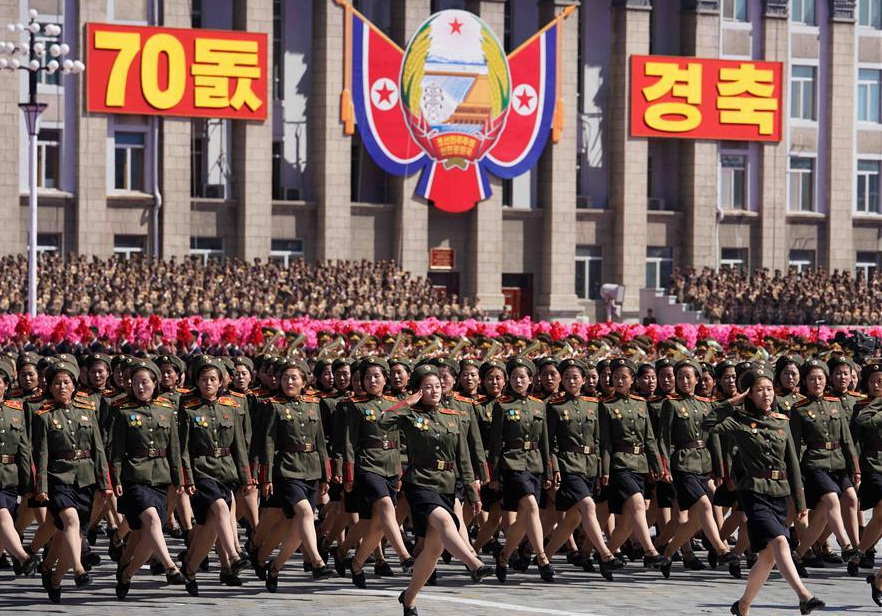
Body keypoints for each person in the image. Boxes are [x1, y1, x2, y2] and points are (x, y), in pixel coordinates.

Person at [703, 368, 824, 616]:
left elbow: (792, 463)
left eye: (769, 389)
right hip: (754, 491)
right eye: (759, 390)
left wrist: (800, 501)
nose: (766, 394)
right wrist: (733, 401)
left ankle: (743, 605)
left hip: (779, 493)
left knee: (768, 557)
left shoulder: (781, 421)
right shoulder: (739, 420)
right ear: (749, 393)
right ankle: (804, 596)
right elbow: (707, 423)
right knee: (780, 541)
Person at [387, 364, 492, 616]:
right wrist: (408, 402)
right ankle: (474, 564)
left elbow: (463, 459)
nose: (434, 390)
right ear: (418, 390)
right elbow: (383, 421)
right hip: (420, 481)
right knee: (446, 521)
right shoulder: (409, 415)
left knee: (433, 550)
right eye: (427, 387)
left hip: (446, 483)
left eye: (437, 386)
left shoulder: (452, 416)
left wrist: (472, 492)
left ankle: (409, 597)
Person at [32, 360, 112, 604]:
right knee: (71, 522)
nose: (62, 387)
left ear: (75, 385)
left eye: (66, 382)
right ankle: (78, 569)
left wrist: (104, 482)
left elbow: (98, 449)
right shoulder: (44, 415)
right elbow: (41, 454)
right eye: (56, 383)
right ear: (50, 387)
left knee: (68, 534)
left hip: (85, 478)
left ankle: (53, 576)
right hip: (59, 477)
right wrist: (41, 488)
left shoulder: (87, 410)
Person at [108, 359, 187, 598]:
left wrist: (179, 478)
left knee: (146, 536)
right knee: (151, 519)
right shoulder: (122, 411)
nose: (140, 387)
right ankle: (170, 567)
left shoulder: (167, 410)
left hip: (161, 476)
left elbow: (174, 448)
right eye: (135, 383)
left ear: (155, 383)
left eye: (145, 382)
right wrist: (116, 479)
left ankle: (127, 573)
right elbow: (116, 450)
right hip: (134, 475)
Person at [256, 358, 335, 591]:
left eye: (294, 378)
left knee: (297, 528)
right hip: (286, 469)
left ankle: (275, 567)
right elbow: (268, 444)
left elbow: (320, 443)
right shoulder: (273, 406)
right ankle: (317, 561)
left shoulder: (313, 405)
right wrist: (266, 477)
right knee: (305, 513)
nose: (289, 382)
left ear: (304, 382)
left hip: (311, 469)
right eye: (285, 378)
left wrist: (325, 475)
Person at [178, 355, 254, 595]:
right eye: (204, 379)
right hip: (201, 471)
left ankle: (190, 569)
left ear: (221, 381)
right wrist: (186, 479)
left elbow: (239, 446)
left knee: (209, 529)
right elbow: (182, 449)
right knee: (221, 509)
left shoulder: (230, 407)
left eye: (213, 379)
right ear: (197, 381)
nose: (208, 383)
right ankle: (233, 555)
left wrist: (246, 478)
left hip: (225, 471)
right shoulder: (188, 408)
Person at [544, 358, 624, 580]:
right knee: (588, 506)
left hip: (589, 465)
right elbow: (550, 443)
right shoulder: (555, 406)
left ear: (583, 380)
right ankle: (606, 554)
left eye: (575, 377)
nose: (571, 381)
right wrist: (554, 467)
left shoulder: (593, 405)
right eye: (567, 377)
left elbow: (599, 440)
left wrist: (601, 469)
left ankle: (543, 557)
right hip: (568, 465)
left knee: (572, 519)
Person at [599, 358, 670, 574]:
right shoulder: (607, 406)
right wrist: (605, 470)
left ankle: (606, 555)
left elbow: (649, 438)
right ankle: (650, 551)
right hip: (620, 464)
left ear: (632, 380)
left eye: (624, 377)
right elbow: (605, 443)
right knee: (638, 503)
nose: (619, 381)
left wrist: (656, 465)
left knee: (628, 522)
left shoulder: (641, 404)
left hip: (640, 464)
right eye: (616, 377)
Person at [789, 359, 859, 575]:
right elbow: (795, 447)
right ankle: (846, 545)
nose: (817, 382)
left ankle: (799, 554)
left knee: (842, 503)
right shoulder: (799, 409)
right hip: (815, 463)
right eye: (812, 378)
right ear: (805, 381)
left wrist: (854, 468)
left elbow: (846, 439)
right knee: (831, 499)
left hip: (838, 462)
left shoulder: (834, 403)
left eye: (820, 378)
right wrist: (797, 477)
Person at [488, 357, 555, 583]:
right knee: (532, 506)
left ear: (531, 380)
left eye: (522, 377)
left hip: (534, 463)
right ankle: (542, 558)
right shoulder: (502, 406)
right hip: (512, 463)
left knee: (525, 516)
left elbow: (545, 442)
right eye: (514, 377)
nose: (518, 381)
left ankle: (504, 555)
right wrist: (494, 475)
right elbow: (495, 444)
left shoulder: (539, 405)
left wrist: (548, 471)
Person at [0, 360, 41, 577]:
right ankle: (23, 557)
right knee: (2, 515)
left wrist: (28, 484)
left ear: (6, 385)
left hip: (9, 475)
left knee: (5, 518)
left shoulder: (15, 410)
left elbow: (24, 449)